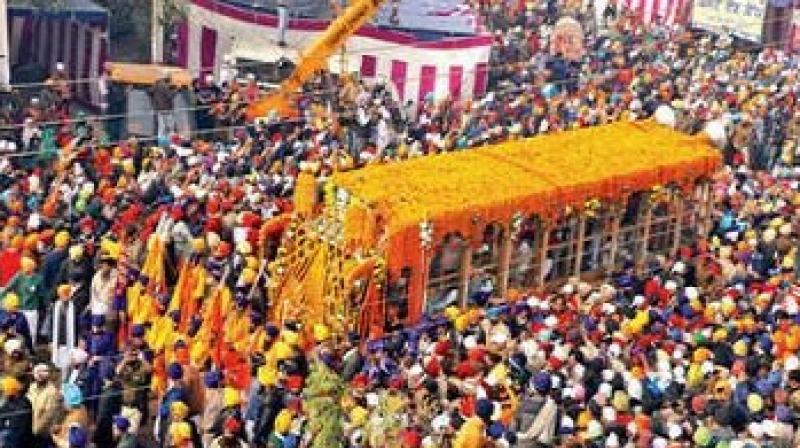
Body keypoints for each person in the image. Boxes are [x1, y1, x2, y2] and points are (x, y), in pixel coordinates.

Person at [27, 364, 61, 447]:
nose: (38, 377)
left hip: (41, 433)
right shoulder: (32, 387)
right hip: (29, 428)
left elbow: (48, 415)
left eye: (41, 375)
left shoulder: (52, 392)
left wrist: (35, 430)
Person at [0, 376, 33, 447]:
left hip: (16, 443)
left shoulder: (22, 404)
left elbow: (16, 431)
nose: (2, 393)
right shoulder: (9, 402)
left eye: (2, 390)